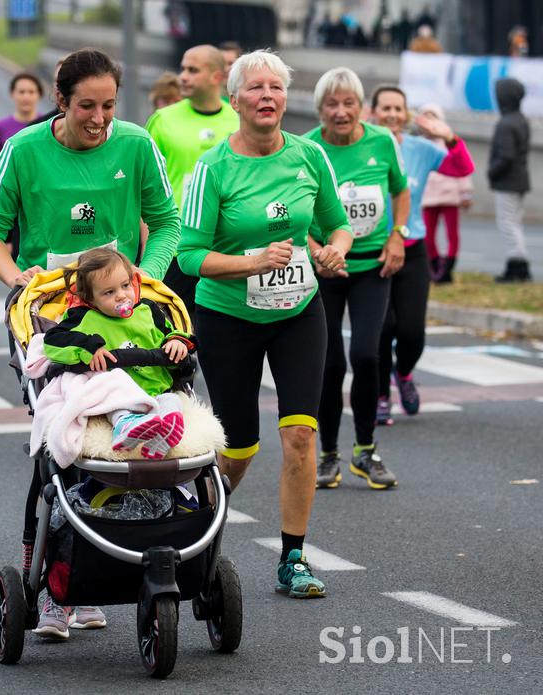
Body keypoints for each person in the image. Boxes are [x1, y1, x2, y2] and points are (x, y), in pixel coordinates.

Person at [0, 47, 180, 639]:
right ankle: (59, 588)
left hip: (123, 310)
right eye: (87, 106)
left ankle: (114, 559)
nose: (100, 118)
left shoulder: (136, 145)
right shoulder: (25, 149)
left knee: (127, 430)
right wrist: (20, 284)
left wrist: (147, 278)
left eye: (109, 105)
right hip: (51, 320)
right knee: (67, 441)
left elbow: (164, 221)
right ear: (59, 102)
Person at [178, 50, 352, 598]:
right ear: (235, 101)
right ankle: (198, 535)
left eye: (276, 87)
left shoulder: (308, 156)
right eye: (255, 88)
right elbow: (189, 256)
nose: (267, 96)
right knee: (239, 448)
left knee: (301, 433)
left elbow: (339, 225)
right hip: (228, 316)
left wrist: (332, 252)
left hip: (299, 311)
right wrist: (252, 262)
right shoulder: (214, 169)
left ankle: (293, 558)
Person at [303, 68, 409, 491]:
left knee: (367, 354)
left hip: (371, 267)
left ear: (361, 107)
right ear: (320, 110)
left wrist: (398, 235)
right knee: (330, 364)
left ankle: (366, 449)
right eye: (332, 104)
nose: (341, 112)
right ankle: (328, 455)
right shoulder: (308, 147)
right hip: (326, 269)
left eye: (349, 103)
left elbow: (400, 190)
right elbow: (294, 207)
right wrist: (315, 249)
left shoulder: (382, 141)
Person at [368, 85, 474, 426]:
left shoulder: (421, 149)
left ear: (407, 114)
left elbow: (462, 168)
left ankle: (405, 373)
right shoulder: (361, 147)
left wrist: (449, 136)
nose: (393, 115)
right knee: (383, 329)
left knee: (412, 331)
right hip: (373, 252)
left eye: (399, 109)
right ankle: (381, 395)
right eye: (386, 108)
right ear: (373, 113)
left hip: (413, 250)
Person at [43, 247, 190, 459]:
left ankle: (166, 430)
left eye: (125, 286)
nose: (121, 296)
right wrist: (89, 348)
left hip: (155, 387)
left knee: (172, 400)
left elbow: (170, 332)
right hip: (117, 394)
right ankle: (125, 425)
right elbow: (53, 342)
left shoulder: (147, 310)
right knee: (116, 403)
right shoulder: (83, 317)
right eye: (109, 292)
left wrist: (177, 342)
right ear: (90, 299)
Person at [147, 44, 238, 317]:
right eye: (183, 68)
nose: (183, 76)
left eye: (192, 70)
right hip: (175, 248)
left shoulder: (238, 120)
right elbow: (145, 189)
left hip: (224, 248)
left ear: (216, 76)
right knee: (171, 337)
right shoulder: (163, 120)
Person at [416, 104, 474, 283]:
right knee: (428, 234)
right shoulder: (418, 145)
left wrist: (465, 194)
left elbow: (462, 167)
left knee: (452, 233)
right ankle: (434, 264)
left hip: (450, 195)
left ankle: (448, 266)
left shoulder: (448, 143)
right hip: (429, 198)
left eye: (433, 118)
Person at [489, 77, 531, 283]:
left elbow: (506, 156)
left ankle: (517, 266)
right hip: (519, 180)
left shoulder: (506, 124)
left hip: (508, 181)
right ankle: (518, 262)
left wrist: (492, 172)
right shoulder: (520, 119)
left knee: (508, 223)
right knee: (514, 222)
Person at [0, 72, 43, 182]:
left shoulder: (48, 125)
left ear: (39, 95)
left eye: (31, 92)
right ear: (12, 94)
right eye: (21, 92)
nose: (26, 97)